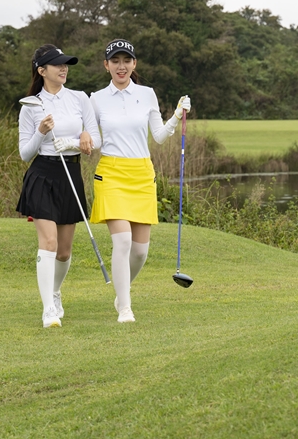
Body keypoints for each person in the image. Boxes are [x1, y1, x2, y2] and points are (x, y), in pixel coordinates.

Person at [89, 38, 190, 323]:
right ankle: (125, 307)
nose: (121, 66)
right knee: (122, 242)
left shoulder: (147, 94)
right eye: (115, 61)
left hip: (142, 174)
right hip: (111, 173)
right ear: (106, 65)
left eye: (126, 61)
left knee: (140, 251)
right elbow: (94, 138)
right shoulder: (96, 99)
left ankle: (121, 293)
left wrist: (176, 116)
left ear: (134, 64)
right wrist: (79, 140)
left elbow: (158, 136)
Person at [16, 44, 99, 328]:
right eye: (57, 64)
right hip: (42, 174)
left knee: (64, 251)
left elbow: (95, 140)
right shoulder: (31, 105)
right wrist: (41, 132)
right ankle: (48, 309)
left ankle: (54, 291)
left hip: (70, 174)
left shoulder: (79, 98)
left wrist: (80, 139)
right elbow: (25, 153)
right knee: (49, 243)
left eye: (65, 64)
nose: (64, 68)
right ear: (42, 70)